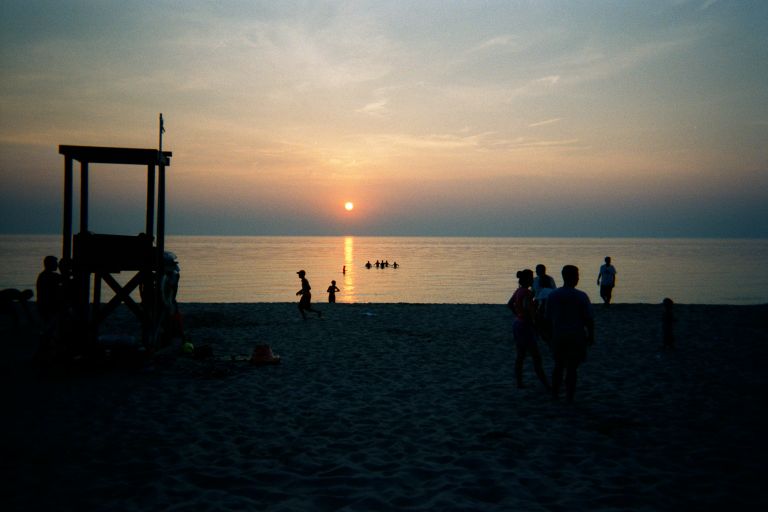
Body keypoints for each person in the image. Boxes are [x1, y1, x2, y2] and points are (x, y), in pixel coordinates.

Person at [546, 265, 595, 403]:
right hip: (575, 336)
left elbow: (547, 319)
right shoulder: (581, 296)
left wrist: (549, 336)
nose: (578, 278)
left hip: (558, 336)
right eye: (577, 275)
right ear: (573, 277)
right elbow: (588, 319)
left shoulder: (553, 295)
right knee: (572, 368)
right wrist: (591, 334)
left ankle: (555, 394)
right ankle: (569, 397)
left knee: (558, 366)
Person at [508, 269, 550, 390]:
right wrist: (535, 322)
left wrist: (518, 314)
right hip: (525, 325)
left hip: (517, 323)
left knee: (520, 355)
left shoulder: (518, 290)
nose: (533, 280)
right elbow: (528, 310)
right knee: (536, 357)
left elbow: (510, 304)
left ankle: (519, 383)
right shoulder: (527, 292)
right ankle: (546, 384)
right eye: (531, 278)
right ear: (527, 279)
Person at [36, 255, 62, 323]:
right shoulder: (50, 276)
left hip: (44, 305)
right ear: (50, 264)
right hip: (49, 306)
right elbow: (66, 280)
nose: (57, 265)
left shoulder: (43, 275)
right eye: (55, 263)